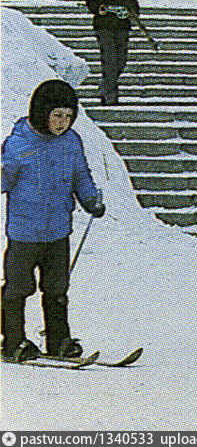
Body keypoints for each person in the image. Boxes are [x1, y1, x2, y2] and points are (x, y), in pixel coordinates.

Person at [2, 79, 103, 362]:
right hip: (24, 231)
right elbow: (3, 179)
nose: (63, 122)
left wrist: (91, 200)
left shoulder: (71, 143)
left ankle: (59, 341)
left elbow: (80, 175)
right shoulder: (19, 144)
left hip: (58, 229)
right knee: (18, 286)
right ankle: (14, 340)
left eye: (69, 116)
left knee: (57, 287)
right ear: (41, 112)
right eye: (57, 115)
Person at [85, 0, 140, 106]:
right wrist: (99, 9)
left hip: (122, 26)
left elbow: (133, 3)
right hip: (105, 25)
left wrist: (133, 13)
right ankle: (110, 95)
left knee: (121, 61)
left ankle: (105, 86)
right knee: (109, 60)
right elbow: (91, 2)